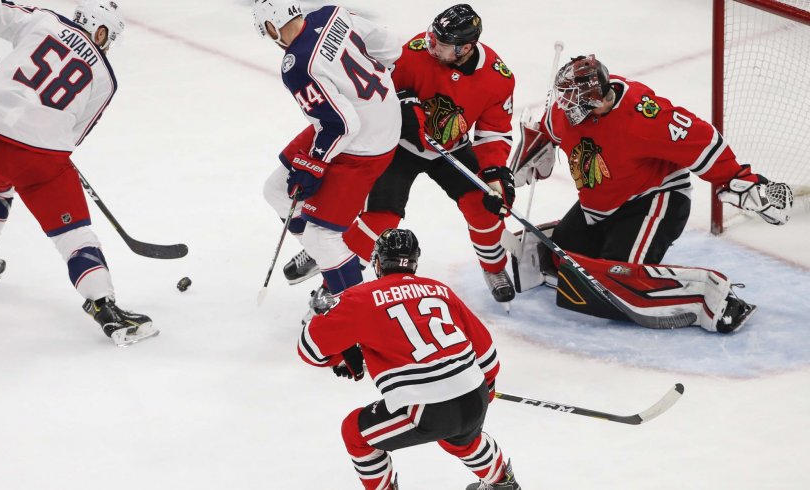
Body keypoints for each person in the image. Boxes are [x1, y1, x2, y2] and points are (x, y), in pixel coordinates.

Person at [511, 54, 794, 333]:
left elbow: (701, 141)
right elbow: (549, 130)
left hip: (656, 197)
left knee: (616, 281)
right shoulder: (566, 112)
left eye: (571, 98)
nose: (563, 104)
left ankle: (709, 298)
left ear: (595, 99)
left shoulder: (644, 116)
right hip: (603, 201)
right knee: (563, 260)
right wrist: (538, 145)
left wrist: (741, 181)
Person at [0, 0, 157, 346]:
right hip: (36, 160)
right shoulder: (105, 79)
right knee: (74, 236)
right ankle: (105, 308)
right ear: (100, 29)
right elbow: (73, 136)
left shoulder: (43, 21)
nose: (108, 44)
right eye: (108, 36)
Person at [282, 4, 519, 310]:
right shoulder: (415, 52)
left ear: (466, 48)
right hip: (397, 145)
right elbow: (375, 88)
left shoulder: (498, 78)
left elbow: (494, 132)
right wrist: (402, 103)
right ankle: (331, 281)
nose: (430, 45)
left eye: (440, 45)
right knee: (380, 219)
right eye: (432, 37)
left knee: (485, 206)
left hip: (451, 149)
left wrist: (496, 175)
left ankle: (494, 268)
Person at [298, 228, 521, 490]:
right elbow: (486, 353)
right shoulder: (440, 290)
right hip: (475, 394)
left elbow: (311, 351)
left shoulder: (359, 298)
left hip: (428, 408)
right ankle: (502, 483)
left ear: (378, 262)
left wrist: (324, 319)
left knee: (355, 432)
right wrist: (486, 390)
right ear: (414, 262)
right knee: (461, 437)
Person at [253, 0, 402, 314]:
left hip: (364, 144)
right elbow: (389, 48)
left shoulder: (297, 66)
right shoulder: (332, 13)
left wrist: (313, 165)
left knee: (323, 237)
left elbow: (342, 125)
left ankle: (358, 313)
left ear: (271, 25)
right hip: (372, 117)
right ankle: (323, 255)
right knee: (276, 190)